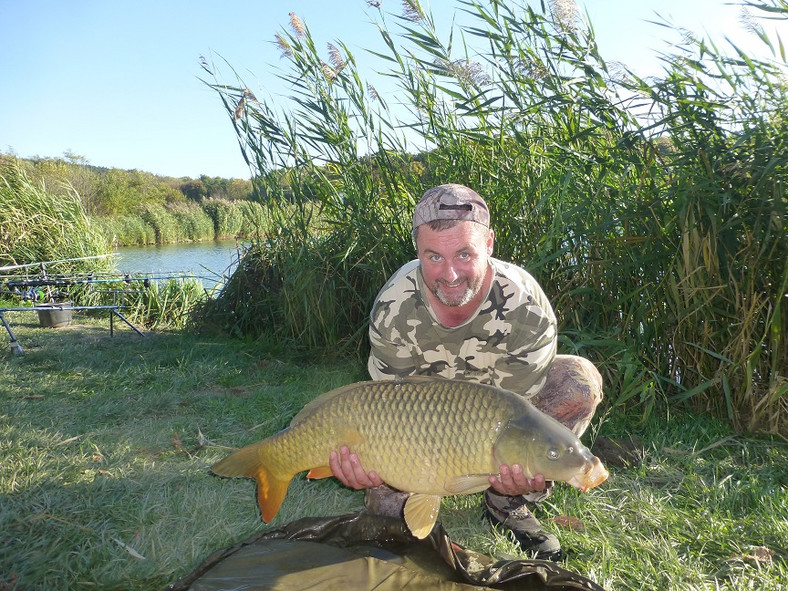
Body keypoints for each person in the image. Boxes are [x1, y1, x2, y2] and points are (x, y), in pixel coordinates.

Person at [329, 183, 603, 560]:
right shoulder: (394, 305)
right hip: (420, 419)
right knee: (386, 515)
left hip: (489, 415)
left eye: (464, 254)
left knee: (578, 382)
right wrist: (371, 460)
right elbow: (386, 407)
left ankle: (506, 503)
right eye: (434, 257)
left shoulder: (526, 307)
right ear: (417, 250)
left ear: (489, 244)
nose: (450, 274)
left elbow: (519, 414)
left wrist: (518, 467)